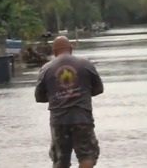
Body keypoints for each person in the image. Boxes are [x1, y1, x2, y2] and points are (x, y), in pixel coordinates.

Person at [35, 36, 104, 168]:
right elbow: (99, 89)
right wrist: (81, 94)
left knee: (60, 160)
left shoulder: (46, 69)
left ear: (54, 51)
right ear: (71, 48)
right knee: (87, 155)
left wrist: (57, 96)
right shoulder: (86, 64)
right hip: (82, 119)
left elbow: (39, 97)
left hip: (59, 121)